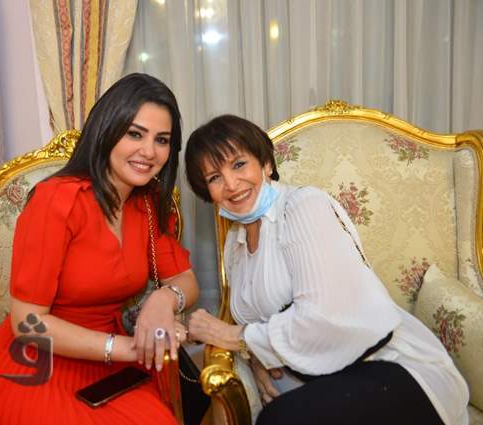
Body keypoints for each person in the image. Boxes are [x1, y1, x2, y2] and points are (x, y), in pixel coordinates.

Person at [0, 73, 199, 424]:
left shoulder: (149, 202)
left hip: (110, 365)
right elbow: (28, 324)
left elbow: (186, 280)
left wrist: (164, 300)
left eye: (162, 140)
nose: (149, 151)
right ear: (106, 131)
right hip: (37, 363)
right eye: (135, 134)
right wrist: (125, 347)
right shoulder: (57, 201)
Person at [183, 114, 469, 425]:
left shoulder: (302, 206)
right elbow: (256, 323)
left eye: (239, 164)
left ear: (265, 163)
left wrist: (234, 337)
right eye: (214, 177)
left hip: (389, 366)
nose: (230, 184)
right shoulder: (235, 244)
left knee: (278, 420)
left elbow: (319, 320)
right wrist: (254, 357)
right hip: (323, 380)